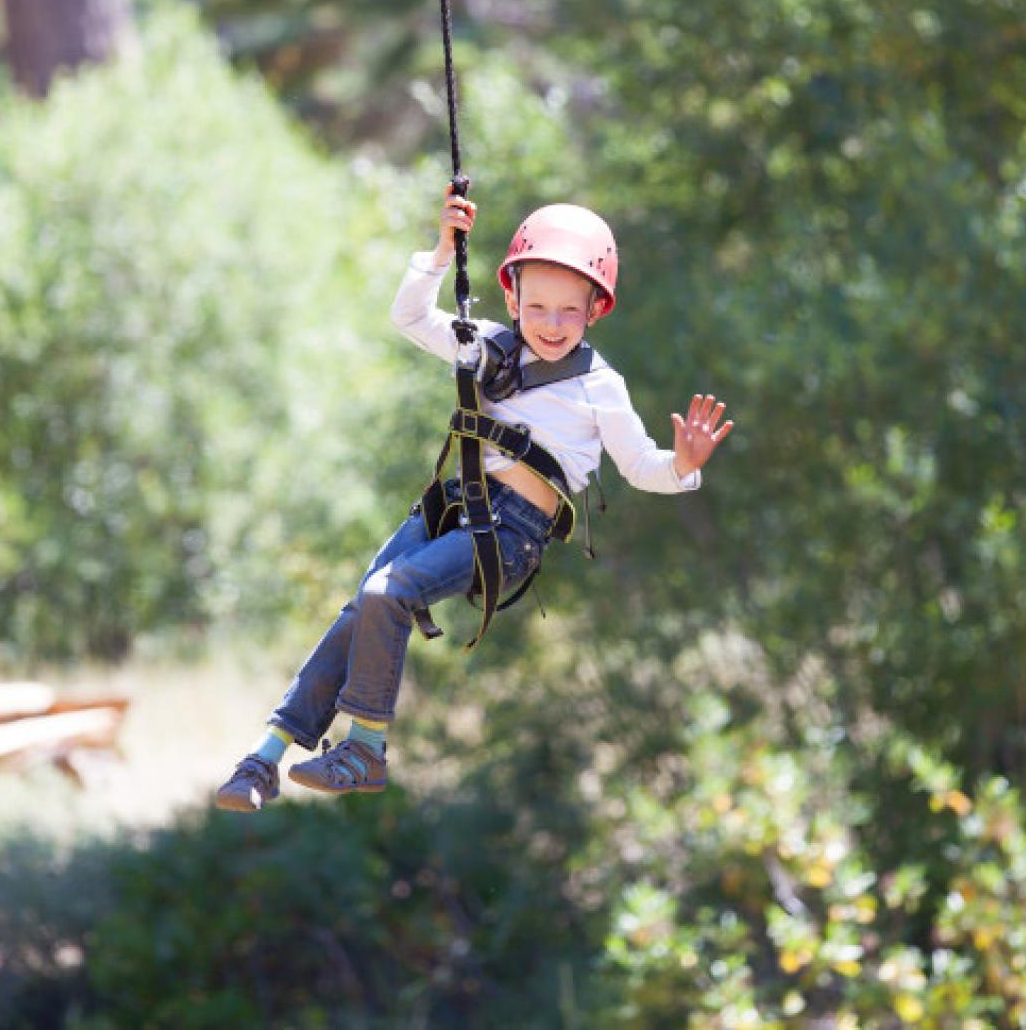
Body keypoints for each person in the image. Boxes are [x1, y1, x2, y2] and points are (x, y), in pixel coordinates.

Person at [214, 189, 734, 810]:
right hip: (452, 506)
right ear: (511, 298)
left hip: (509, 534)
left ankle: (366, 749)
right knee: (363, 609)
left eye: (569, 311)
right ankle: (265, 758)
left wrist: (684, 465)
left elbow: (642, 467)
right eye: (536, 305)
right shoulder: (484, 344)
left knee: (387, 593)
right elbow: (410, 318)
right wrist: (441, 251)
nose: (551, 323)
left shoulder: (601, 387)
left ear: (596, 310)